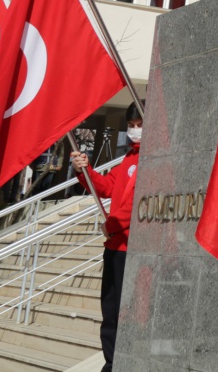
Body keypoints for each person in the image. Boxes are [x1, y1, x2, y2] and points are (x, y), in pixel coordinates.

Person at [72, 104, 141, 372]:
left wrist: (113, 223)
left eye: (140, 124)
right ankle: (111, 363)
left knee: (125, 313)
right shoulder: (129, 158)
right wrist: (84, 170)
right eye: (131, 125)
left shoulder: (154, 158)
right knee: (110, 312)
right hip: (115, 246)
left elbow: (141, 202)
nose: (134, 130)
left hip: (131, 248)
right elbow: (107, 186)